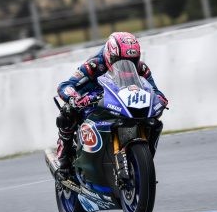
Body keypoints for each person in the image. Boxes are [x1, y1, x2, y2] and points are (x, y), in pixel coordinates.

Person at [55, 32, 168, 174]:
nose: (127, 65)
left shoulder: (141, 68)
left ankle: (141, 163)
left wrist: (160, 99)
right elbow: (65, 86)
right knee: (67, 111)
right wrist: (75, 98)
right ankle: (63, 155)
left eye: (132, 61)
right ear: (109, 55)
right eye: (119, 60)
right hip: (93, 97)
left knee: (152, 119)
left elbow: (155, 90)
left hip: (121, 99)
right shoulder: (95, 64)